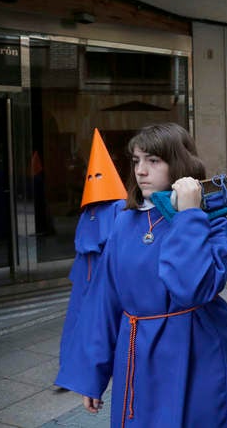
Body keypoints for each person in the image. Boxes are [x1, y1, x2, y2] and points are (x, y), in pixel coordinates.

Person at [55, 122, 227, 427]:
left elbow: (193, 288)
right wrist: (92, 374)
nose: (140, 171)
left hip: (194, 346)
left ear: (179, 163)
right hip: (138, 349)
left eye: (153, 161)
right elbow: (104, 300)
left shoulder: (211, 220)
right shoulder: (124, 223)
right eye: (137, 161)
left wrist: (189, 215)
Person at [56, 129, 127, 382]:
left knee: (103, 319)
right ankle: (70, 368)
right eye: (92, 176)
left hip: (105, 270)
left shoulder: (118, 206)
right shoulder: (88, 209)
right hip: (86, 271)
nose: (95, 180)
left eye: (99, 175)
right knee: (77, 319)